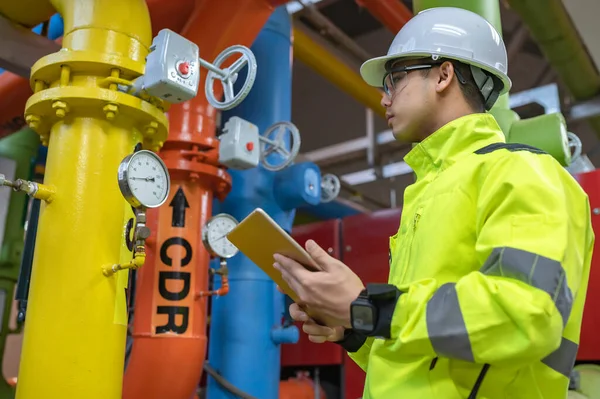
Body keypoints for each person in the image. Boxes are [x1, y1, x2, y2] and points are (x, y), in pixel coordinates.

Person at [273, 6, 594, 399]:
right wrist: (354, 326)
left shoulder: (524, 172)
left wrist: (369, 307)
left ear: (443, 74)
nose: (384, 97)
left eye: (395, 79)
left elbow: (525, 316)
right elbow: (425, 359)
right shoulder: (427, 193)